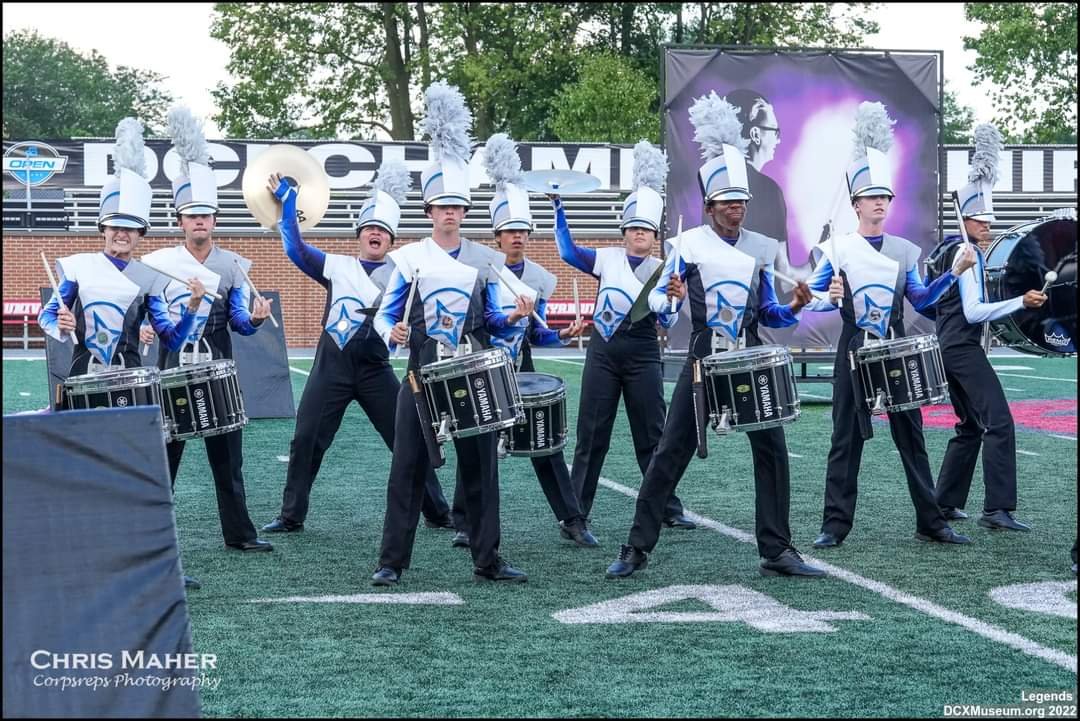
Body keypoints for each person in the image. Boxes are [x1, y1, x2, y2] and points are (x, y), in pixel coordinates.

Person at [606, 116, 825, 578]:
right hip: (704, 360)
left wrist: (797, 305)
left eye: (741, 202)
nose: (736, 209)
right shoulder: (684, 245)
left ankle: (778, 549)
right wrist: (672, 299)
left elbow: (770, 316)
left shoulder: (761, 249)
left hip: (748, 357)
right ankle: (636, 547)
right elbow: (659, 315)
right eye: (727, 203)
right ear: (709, 206)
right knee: (670, 452)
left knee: (772, 450)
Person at [370, 82, 525, 585]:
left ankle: (487, 559)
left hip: (472, 374)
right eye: (442, 208)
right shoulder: (409, 257)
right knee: (408, 469)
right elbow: (385, 313)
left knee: (481, 471)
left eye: (457, 207)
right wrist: (389, 330)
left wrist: (516, 315)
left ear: (464, 212)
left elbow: (495, 322)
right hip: (419, 376)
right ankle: (391, 562)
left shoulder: (486, 259)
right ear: (430, 212)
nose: (450, 215)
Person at [804, 103, 977, 548]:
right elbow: (814, 299)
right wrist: (829, 297)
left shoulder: (904, 249)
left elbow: (920, 299)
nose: (880, 202)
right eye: (872, 197)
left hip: (897, 347)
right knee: (845, 439)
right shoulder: (837, 248)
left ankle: (931, 521)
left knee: (911, 436)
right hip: (853, 348)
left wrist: (954, 272)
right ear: (856, 203)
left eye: (886, 197)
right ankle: (834, 526)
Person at [261, 162, 454, 535]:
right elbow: (293, 246)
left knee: (408, 439)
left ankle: (438, 512)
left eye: (383, 230)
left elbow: (423, 321)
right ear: (359, 234)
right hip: (331, 365)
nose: (375, 233)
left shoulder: (405, 275)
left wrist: (404, 334)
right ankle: (291, 515)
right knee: (306, 439)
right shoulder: (337, 265)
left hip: (376, 369)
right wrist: (289, 202)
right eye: (370, 228)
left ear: (391, 239)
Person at [142, 106, 274, 558]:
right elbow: (155, 320)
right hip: (173, 369)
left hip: (218, 368)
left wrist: (255, 319)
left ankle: (240, 533)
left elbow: (238, 322)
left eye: (206, 216)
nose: (199, 223)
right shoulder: (159, 264)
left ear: (215, 220)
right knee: (166, 458)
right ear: (180, 221)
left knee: (227, 457)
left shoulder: (233, 265)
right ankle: (152, 538)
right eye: (191, 216)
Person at [555, 140, 695, 538]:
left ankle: (666, 506)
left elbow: (667, 318)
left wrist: (676, 298)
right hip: (604, 351)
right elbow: (566, 251)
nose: (639, 235)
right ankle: (575, 516)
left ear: (654, 235)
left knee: (653, 433)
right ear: (624, 232)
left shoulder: (665, 267)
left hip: (643, 351)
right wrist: (559, 209)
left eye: (645, 230)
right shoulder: (607, 258)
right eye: (633, 228)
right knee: (592, 435)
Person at [463, 133, 592, 547]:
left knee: (544, 442)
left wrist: (561, 334)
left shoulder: (540, 277)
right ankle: (467, 522)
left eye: (523, 231)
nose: (517, 237)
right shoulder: (481, 271)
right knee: (480, 447)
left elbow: (536, 333)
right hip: (485, 367)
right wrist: (510, 316)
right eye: (509, 231)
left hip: (521, 369)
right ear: (496, 237)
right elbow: (482, 323)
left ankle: (572, 519)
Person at [928, 124, 1045, 532]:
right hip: (961, 348)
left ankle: (944, 502)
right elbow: (975, 311)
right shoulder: (964, 252)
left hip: (949, 346)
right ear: (967, 219)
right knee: (999, 421)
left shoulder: (948, 248)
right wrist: (1021, 301)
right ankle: (997, 508)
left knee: (971, 425)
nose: (989, 228)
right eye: (982, 221)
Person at [725, 88, 787, 245]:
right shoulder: (769, 190)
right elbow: (780, 267)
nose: (778, 140)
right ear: (755, 135)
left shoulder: (715, 184)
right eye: (775, 131)